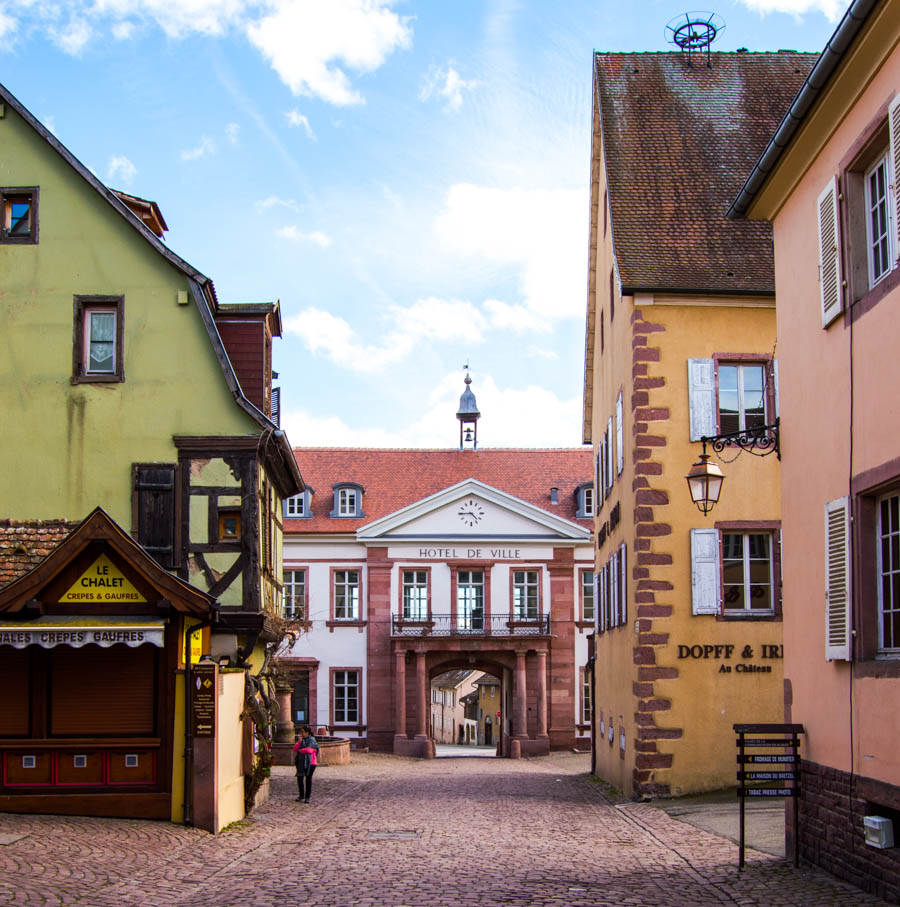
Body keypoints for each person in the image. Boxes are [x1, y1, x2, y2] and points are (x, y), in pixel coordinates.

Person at [293, 725, 319, 803]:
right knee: (300, 778)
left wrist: (301, 750)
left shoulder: (312, 740)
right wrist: (300, 742)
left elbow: (309, 750)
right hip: (301, 762)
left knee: (308, 779)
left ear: (307, 732)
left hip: (311, 762)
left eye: (302, 732)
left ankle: (307, 797)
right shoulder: (302, 740)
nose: (301, 733)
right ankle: (301, 795)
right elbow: (295, 749)